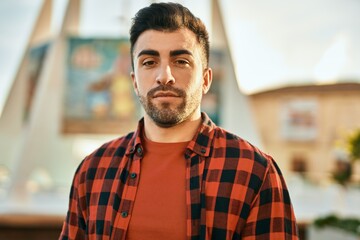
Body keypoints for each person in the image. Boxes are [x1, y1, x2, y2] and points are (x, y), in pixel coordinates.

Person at [59, 2, 298, 240]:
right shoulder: (93, 170)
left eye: (181, 61)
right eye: (149, 62)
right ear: (134, 81)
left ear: (206, 80)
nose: (165, 76)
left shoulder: (254, 170)